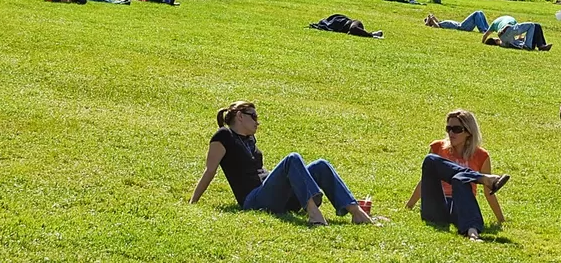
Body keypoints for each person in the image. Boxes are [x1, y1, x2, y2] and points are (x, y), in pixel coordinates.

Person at [190, 101, 378, 226]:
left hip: (275, 195)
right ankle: (313, 213)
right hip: (254, 199)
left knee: (321, 165)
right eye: (254, 116)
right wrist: (193, 202)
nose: (258, 121)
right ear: (240, 115)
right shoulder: (224, 136)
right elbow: (210, 170)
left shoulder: (249, 139)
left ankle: (356, 212)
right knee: (292, 159)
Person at [405, 110, 509, 241]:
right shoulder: (438, 147)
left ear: (469, 132)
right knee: (430, 160)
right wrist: (408, 207)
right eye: (448, 128)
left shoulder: (481, 156)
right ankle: (480, 178)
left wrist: (501, 219)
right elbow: (425, 181)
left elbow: (489, 192)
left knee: (459, 179)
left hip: (461, 204)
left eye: (457, 129)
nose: (451, 133)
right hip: (436, 206)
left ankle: (472, 233)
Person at [482, 15, 552, 51]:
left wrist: (483, 42)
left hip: (506, 31)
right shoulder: (497, 23)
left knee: (537, 25)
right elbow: (515, 30)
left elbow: (486, 35)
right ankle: (530, 45)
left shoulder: (495, 23)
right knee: (531, 25)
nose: (497, 38)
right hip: (506, 30)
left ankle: (541, 46)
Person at [310, 14, 382, 38]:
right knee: (353, 30)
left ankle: (372, 34)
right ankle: (372, 34)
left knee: (353, 29)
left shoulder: (356, 23)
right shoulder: (329, 22)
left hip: (352, 23)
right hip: (349, 26)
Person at [425, 11, 489, 33]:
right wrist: (429, 20)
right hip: (461, 27)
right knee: (476, 13)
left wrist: (432, 17)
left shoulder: (439, 22)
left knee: (480, 12)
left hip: (461, 24)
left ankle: (488, 29)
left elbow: (436, 20)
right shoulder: (437, 25)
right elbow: (435, 25)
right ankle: (482, 30)